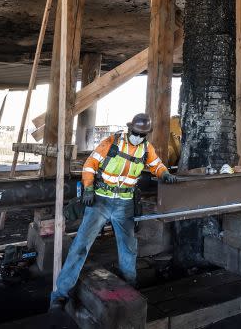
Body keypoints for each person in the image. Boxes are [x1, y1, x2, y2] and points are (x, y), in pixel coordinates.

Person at [50, 112, 176, 310]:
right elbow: (90, 164)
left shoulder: (146, 148)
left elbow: (156, 165)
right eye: (136, 133)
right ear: (130, 129)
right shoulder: (112, 142)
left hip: (125, 204)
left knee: (128, 248)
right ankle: (60, 295)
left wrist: (165, 174)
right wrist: (89, 188)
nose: (139, 137)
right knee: (80, 245)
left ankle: (130, 290)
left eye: (143, 135)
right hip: (100, 201)